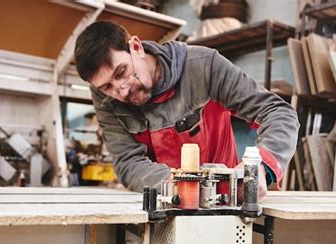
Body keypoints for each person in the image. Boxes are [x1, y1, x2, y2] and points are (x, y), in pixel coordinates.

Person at [74, 21, 299, 199]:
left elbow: (278, 112)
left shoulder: (203, 66)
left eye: (122, 72)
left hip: (225, 203)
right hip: (162, 203)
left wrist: (260, 167)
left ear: (136, 47)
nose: (120, 91)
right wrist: (182, 185)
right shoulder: (105, 97)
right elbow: (127, 162)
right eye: (107, 87)